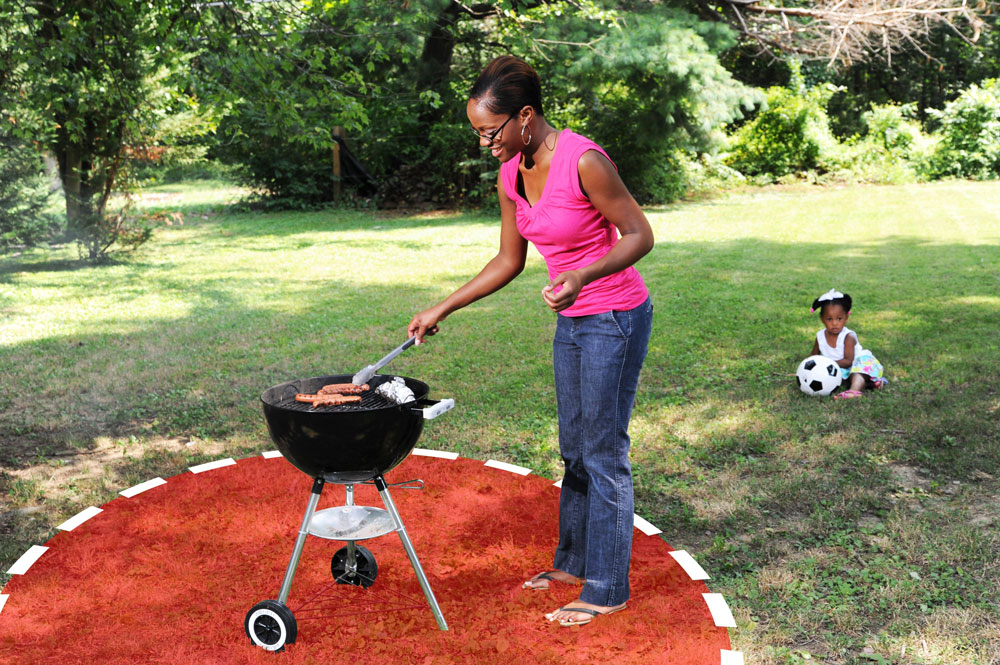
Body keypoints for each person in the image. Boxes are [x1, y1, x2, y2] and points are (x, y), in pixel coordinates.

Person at [407, 55, 654, 627]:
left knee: (604, 451)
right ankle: (573, 563)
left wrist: (582, 275)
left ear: (524, 116)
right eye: (477, 133)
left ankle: (607, 586)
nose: (484, 143)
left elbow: (640, 235)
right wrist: (443, 306)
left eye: (489, 131)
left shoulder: (584, 161)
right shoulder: (510, 172)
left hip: (615, 314)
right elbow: (509, 259)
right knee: (574, 446)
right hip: (572, 321)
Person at [809, 289, 886, 399]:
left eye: (839, 319)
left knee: (857, 372)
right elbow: (813, 356)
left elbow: (848, 361)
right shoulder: (820, 337)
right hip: (840, 367)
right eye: (829, 319)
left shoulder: (848, 336)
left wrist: (827, 363)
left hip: (856, 362)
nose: (834, 323)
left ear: (846, 317)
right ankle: (873, 383)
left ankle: (853, 391)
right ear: (822, 319)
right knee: (838, 377)